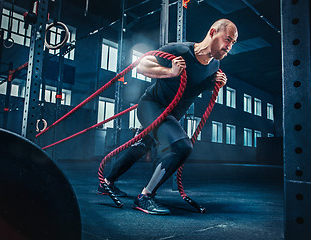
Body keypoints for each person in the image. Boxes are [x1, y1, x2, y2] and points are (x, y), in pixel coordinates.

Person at [98, 19, 238, 215]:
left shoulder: (215, 65)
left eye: (233, 43)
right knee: (181, 146)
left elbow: (196, 85)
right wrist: (170, 72)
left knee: (142, 145)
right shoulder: (179, 50)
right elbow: (142, 66)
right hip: (151, 106)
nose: (229, 47)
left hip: (172, 115)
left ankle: (106, 183)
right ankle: (145, 197)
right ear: (213, 32)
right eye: (228, 40)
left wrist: (215, 83)